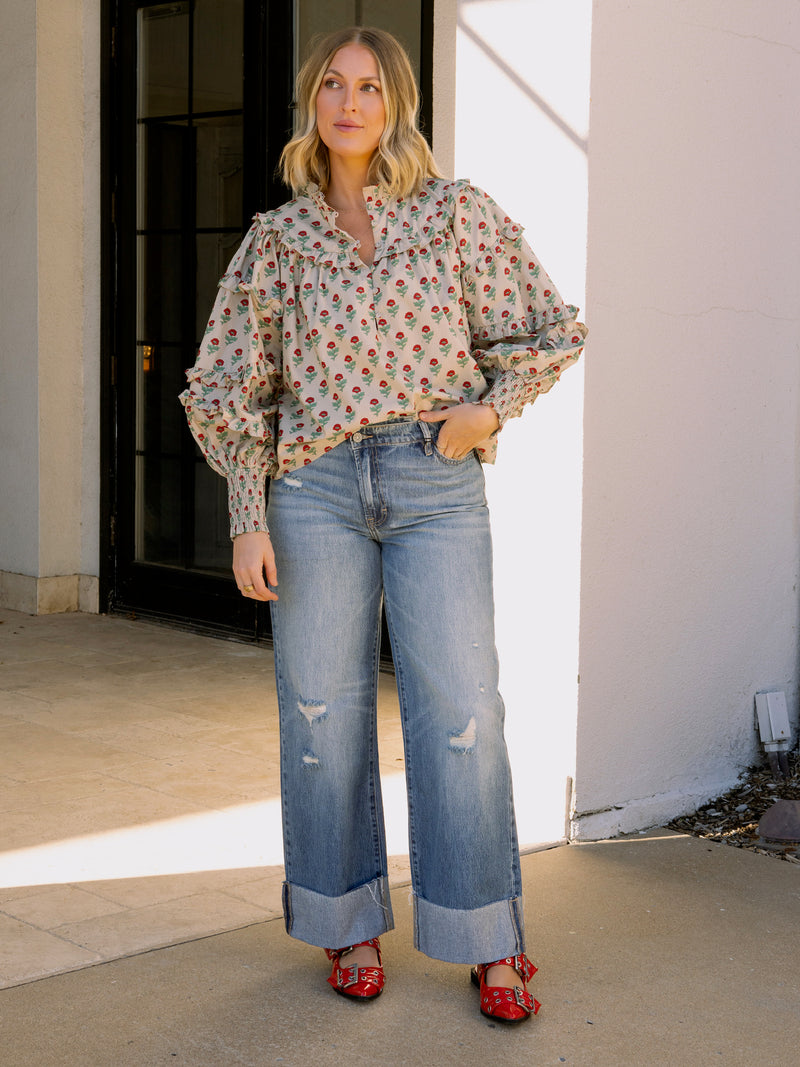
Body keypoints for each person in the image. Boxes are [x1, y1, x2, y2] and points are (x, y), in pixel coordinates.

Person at [180, 25, 586, 1024]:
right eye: (332, 84)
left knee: (460, 714)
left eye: (368, 86)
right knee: (320, 714)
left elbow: (550, 326)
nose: (349, 102)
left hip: (431, 480)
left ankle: (487, 936)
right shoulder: (277, 242)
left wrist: (487, 411)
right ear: (312, 105)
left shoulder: (456, 217)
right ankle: (346, 920)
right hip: (310, 488)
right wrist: (246, 513)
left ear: (395, 104)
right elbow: (225, 388)